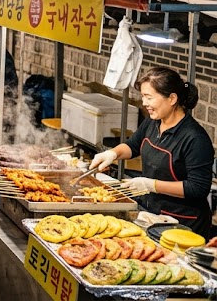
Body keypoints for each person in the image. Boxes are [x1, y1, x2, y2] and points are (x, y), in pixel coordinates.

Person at [88, 67, 213, 237]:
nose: (144, 103)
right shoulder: (153, 122)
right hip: (153, 213)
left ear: (172, 99)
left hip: (183, 223)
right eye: (143, 97)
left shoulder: (195, 138)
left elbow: (197, 188)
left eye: (149, 97)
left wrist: (151, 185)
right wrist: (112, 154)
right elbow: (133, 146)